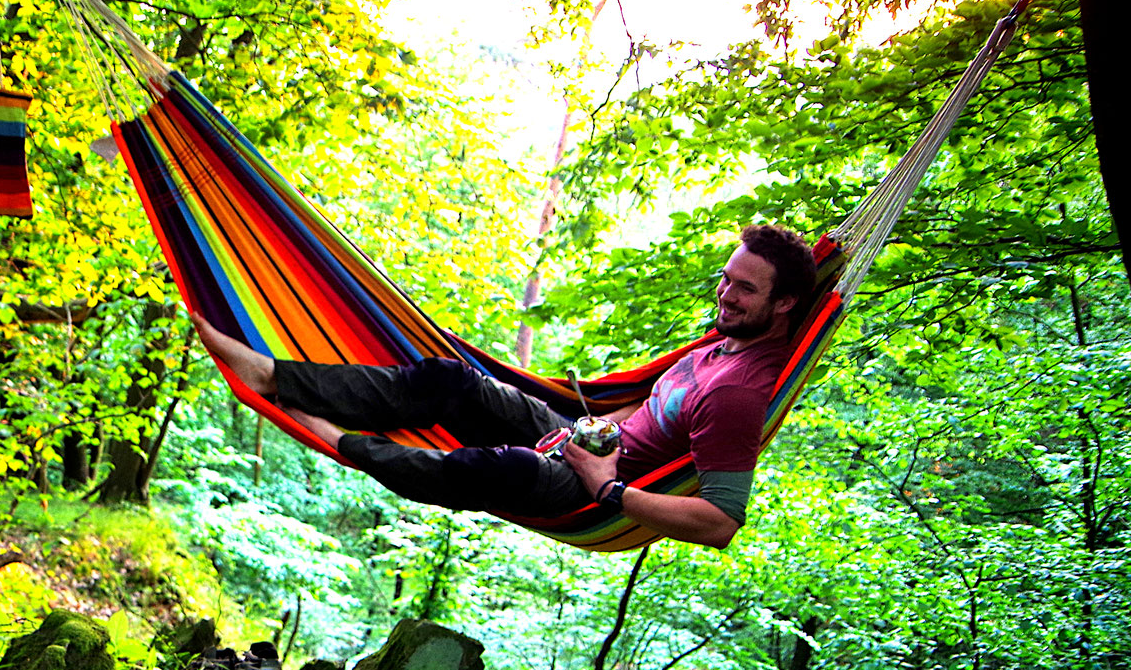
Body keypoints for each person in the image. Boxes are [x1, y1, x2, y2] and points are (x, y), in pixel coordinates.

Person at [193, 225, 817, 550]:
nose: (726, 295)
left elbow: (720, 520)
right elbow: (657, 408)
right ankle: (273, 374)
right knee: (451, 379)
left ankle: (342, 441)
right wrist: (596, 424)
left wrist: (610, 488)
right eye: (726, 279)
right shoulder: (722, 338)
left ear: (786, 303)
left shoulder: (740, 393)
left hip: (587, 488)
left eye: (745, 289)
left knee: (504, 470)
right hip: (583, 437)